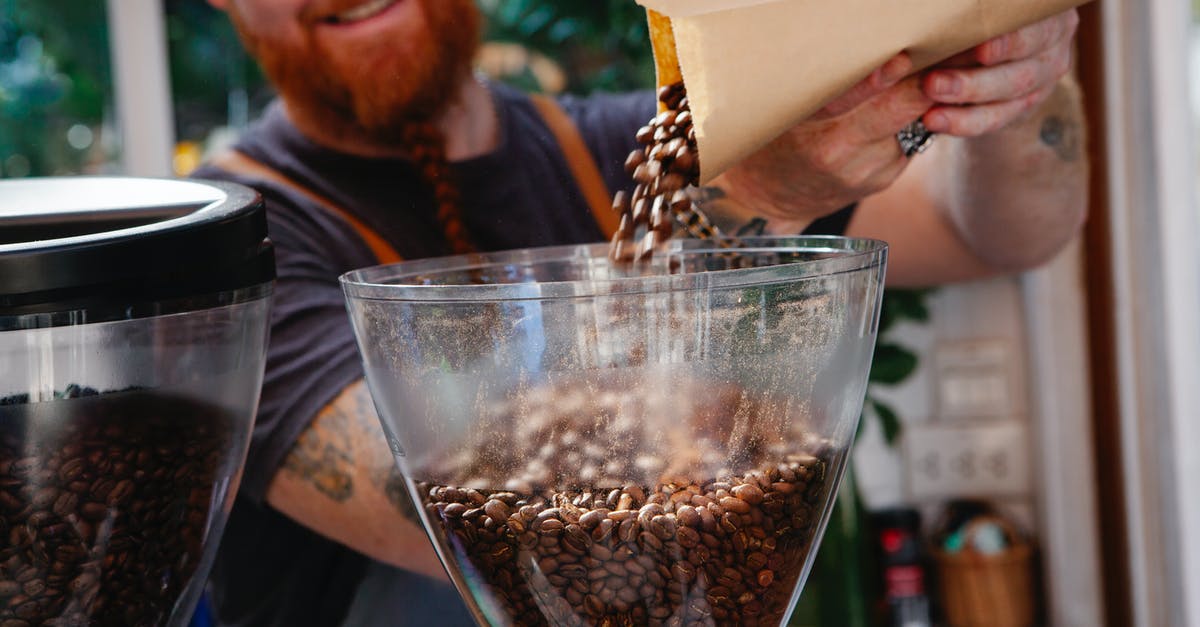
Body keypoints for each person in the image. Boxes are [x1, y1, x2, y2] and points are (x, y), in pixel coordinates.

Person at [193, 1, 1086, 625]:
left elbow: (993, 230)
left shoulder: (632, 147)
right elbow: (515, 528)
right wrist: (761, 203)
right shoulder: (225, 249)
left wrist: (998, 69)